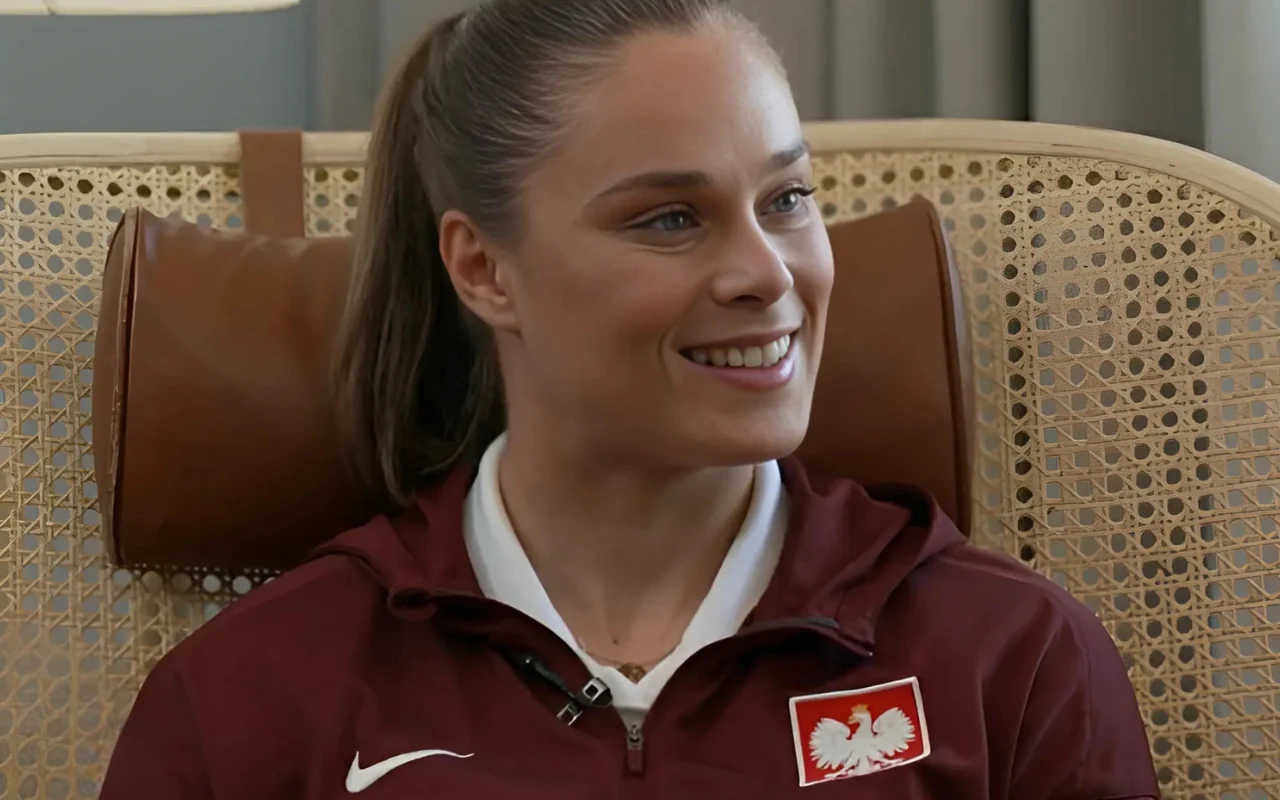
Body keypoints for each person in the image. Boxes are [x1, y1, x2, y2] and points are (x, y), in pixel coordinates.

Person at [99, 0, 1161, 797]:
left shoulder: (1012, 659)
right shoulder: (251, 699)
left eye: (787, 198)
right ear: (483, 269)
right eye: (669, 219)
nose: (767, 273)